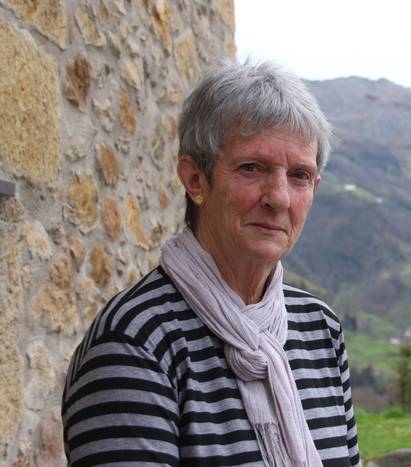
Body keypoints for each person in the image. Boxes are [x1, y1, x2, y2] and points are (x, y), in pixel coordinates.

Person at [62, 60, 360, 467]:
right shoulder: (135, 343)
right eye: (252, 168)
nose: (279, 198)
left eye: (299, 175)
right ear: (195, 179)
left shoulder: (318, 328)